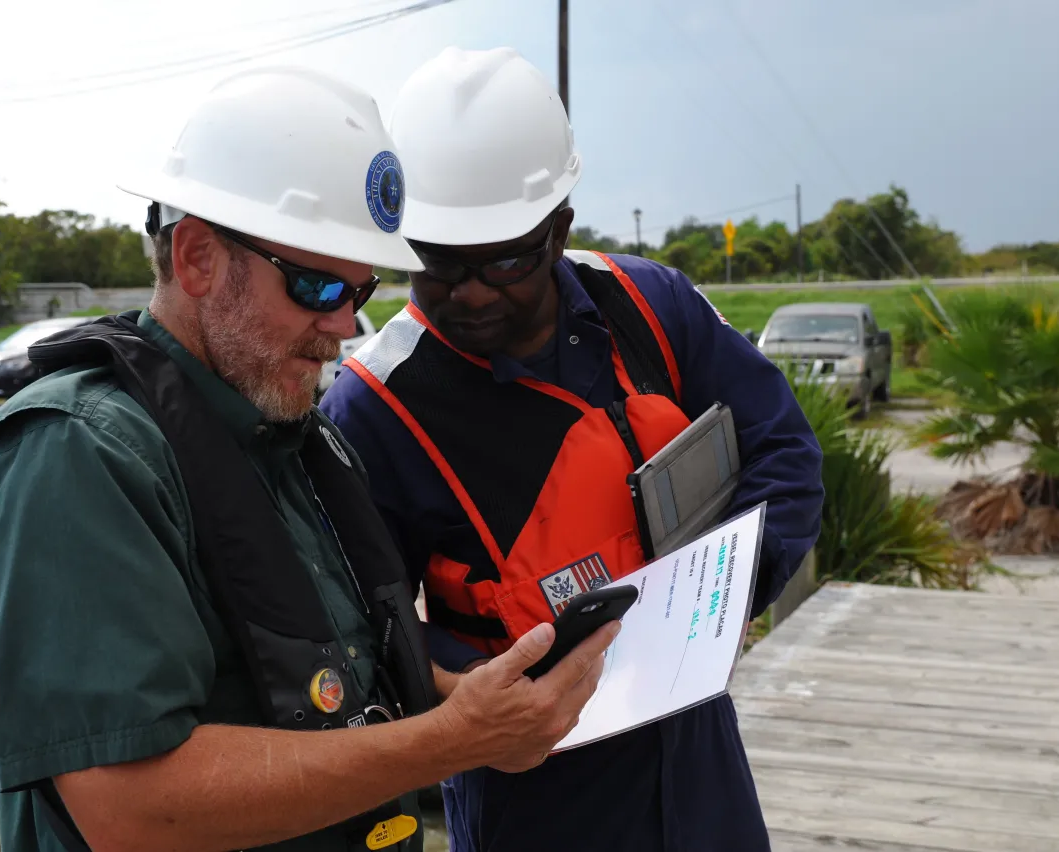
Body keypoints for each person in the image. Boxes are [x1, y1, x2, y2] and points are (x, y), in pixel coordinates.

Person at [0, 65, 616, 852]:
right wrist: (453, 741)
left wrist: (462, 696)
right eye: (316, 288)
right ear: (196, 258)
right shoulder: (73, 456)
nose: (344, 328)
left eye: (361, 294)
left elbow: (331, 678)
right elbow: (127, 807)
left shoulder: (289, 432)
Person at [320, 47, 825, 852]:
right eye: (438, 262)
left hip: (697, 755)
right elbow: (353, 627)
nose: (469, 291)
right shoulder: (374, 411)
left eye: (504, 261)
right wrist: (463, 699)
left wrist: (718, 611)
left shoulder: (648, 307)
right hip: (532, 790)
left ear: (558, 230)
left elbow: (785, 454)